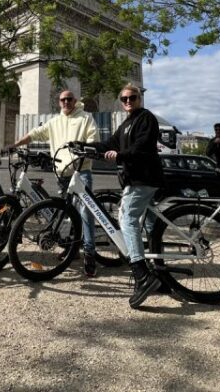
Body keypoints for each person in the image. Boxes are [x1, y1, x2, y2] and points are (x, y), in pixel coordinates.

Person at [9, 90, 100, 277]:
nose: (66, 102)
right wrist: (15, 144)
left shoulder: (85, 118)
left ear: (75, 101)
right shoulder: (54, 122)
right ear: (59, 102)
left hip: (80, 171)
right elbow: (35, 133)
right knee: (67, 214)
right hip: (62, 173)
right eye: (63, 100)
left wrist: (85, 148)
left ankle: (90, 254)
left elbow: (93, 139)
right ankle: (72, 248)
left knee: (85, 212)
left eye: (69, 99)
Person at [92, 84, 163, 309]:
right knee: (152, 224)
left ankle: (142, 275)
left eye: (132, 97)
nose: (128, 101)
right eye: (124, 98)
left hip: (144, 178)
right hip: (136, 179)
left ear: (140, 97)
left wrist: (120, 156)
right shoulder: (126, 123)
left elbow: (142, 146)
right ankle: (161, 272)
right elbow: (108, 143)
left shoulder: (146, 118)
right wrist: (84, 146)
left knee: (127, 219)